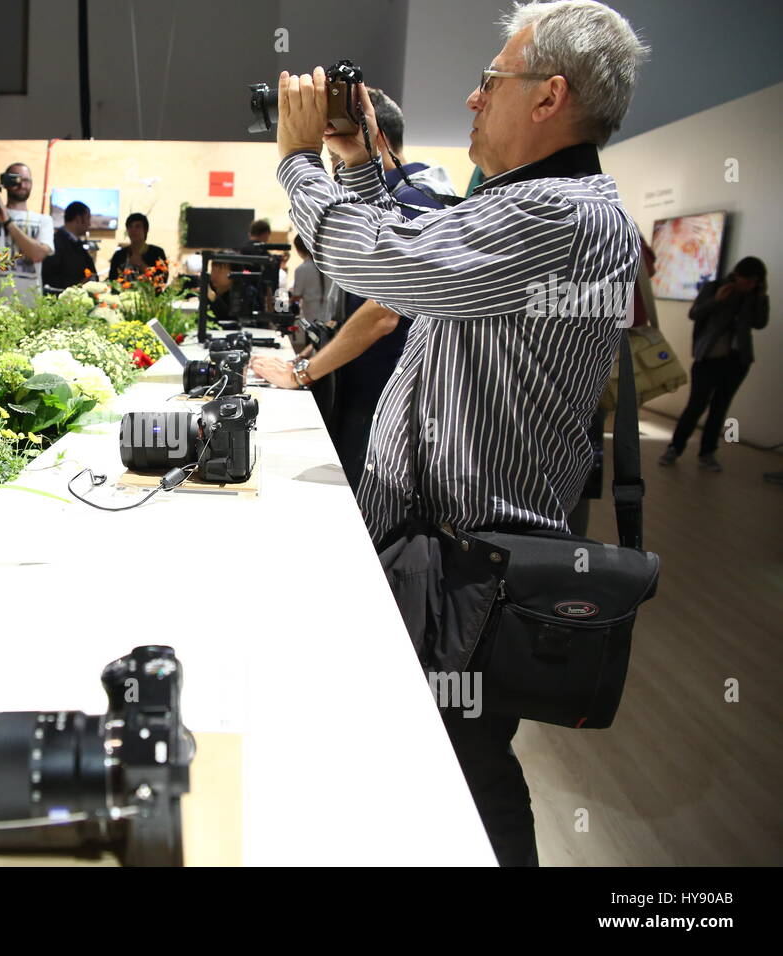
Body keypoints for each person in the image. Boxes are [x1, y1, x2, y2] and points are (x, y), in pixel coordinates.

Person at [272, 0, 647, 866]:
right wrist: (361, 162)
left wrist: (298, 163)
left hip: (471, 569)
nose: (474, 102)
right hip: (444, 555)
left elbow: (379, 262)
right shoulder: (531, 206)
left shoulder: (561, 215)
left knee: (465, 765)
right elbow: (413, 241)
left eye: (489, 83)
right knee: (437, 754)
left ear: (549, 96)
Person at [252, 87, 456, 490]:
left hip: (383, 396)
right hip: (366, 389)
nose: (334, 169)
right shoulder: (393, 195)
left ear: (373, 134)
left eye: (334, 154)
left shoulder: (416, 201)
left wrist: (302, 372)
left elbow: (383, 312)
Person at [659, 256, 769, 471]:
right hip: (709, 357)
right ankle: (674, 448)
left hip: (738, 360)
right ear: (736, 275)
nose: (749, 285)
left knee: (720, 407)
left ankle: (707, 453)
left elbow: (760, 323)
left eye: (754, 282)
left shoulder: (755, 295)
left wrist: (760, 297)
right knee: (696, 405)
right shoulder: (715, 287)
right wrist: (716, 300)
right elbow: (694, 313)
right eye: (746, 281)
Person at [0, 162, 53, 306]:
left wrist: (6, 220)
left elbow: (37, 254)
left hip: (27, 303)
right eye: (15, 179)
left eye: (26, 180)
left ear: (31, 184)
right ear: (5, 182)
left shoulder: (43, 220)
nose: (21, 184)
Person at [42, 201, 96, 290]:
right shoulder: (56, 243)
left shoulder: (77, 243)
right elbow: (49, 277)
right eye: (88, 219)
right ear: (79, 219)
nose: (89, 224)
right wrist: (77, 285)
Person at [108, 213, 167, 283]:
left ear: (145, 230)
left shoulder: (157, 253)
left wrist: (141, 264)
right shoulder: (119, 255)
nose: (133, 230)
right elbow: (112, 281)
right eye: (130, 227)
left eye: (137, 227)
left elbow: (162, 280)